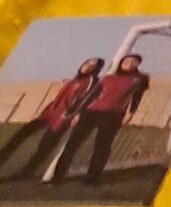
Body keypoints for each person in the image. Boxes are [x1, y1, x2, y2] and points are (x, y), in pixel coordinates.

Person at [0, 59, 102, 183]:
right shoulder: (74, 80)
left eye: (92, 65)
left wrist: (73, 115)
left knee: (44, 146)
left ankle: (27, 172)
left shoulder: (92, 82)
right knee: (21, 134)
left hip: (62, 118)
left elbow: (86, 100)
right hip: (49, 114)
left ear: (96, 69)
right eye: (87, 63)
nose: (87, 66)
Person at [53, 50, 150, 186]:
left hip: (113, 115)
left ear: (137, 65)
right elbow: (92, 96)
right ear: (121, 62)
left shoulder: (139, 78)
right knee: (72, 144)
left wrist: (131, 112)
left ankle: (92, 179)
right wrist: (79, 113)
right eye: (127, 61)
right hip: (91, 112)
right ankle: (57, 178)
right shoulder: (108, 78)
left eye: (134, 62)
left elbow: (137, 96)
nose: (129, 64)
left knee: (102, 147)